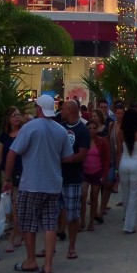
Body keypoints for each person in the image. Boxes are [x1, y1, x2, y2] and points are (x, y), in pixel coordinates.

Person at [4, 94, 74, 273]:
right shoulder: (61, 131)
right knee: (50, 224)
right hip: (53, 184)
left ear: (39, 108)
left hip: (31, 184)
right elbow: (67, 156)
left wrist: (7, 179)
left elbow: (12, 154)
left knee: (28, 224)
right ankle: (48, 264)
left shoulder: (30, 128)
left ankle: (31, 260)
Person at [58, 99, 90, 259]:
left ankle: (71, 246)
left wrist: (64, 159)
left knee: (72, 215)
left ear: (70, 110)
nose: (60, 111)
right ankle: (50, 246)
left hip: (73, 178)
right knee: (52, 213)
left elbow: (82, 154)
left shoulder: (82, 130)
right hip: (57, 177)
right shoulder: (60, 127)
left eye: (62, 108)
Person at [0, 106, 24, 252]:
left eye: (18, 114)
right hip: (6, 173)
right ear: (8, 118)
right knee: (9, 206)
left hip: (21, 172)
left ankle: (14, 237)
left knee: (16, 204)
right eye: (14, 115)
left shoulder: (24, 133)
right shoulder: (4, 136)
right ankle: (16, 231)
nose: (17, 117)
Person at [116, 107, 137, 234]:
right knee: (134, 194)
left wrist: (117, 169)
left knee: (125, 192)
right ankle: (129, 225)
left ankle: (126, 216)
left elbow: (119, 152)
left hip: (124, 163)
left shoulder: (120, 132)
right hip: (136, 163)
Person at [81, 119, 109, 231]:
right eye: (90, 128)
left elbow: (107, 159)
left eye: (94, 128)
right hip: (84, 172)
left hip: (97, 172)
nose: (92, 131)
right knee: (82, 196)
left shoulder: (102, 142)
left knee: (94, 197)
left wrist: (104, 174)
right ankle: (82, 220)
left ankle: (91, 221)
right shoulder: (84, 141)